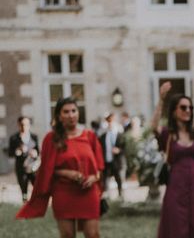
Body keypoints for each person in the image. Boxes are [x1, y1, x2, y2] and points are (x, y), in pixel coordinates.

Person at [17, 97, 103, 238]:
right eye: (66, 112)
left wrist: (94, 177)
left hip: (88, 191)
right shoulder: (51, 139)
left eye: (74, 111)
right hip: (63, 191)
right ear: (59, 115)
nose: (71, 115)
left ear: (78, 112)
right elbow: (46, 169)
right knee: (67, 235)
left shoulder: (90, 136)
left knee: (93, 234)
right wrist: (68, 173)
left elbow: (100, 167)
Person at [151, 81, 194, 238]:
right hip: (175, 187)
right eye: (183, 107)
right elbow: (154, 127)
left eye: (190, 107)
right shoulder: (168, 134)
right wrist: (161, 99)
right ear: (174, 111)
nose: (187, 110)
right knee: (176, 226)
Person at [9, 116, 40, 203]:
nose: (24, 127)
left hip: (33, 168)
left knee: (37, 187)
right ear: (18, 125)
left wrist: (35, 154)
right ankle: (25, 205)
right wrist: (18, 151)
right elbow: (10, 154)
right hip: (21, 168)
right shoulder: (14, 138)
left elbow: (38, 152)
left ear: (29, 125)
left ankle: (36, 205)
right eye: (22, 125)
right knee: (24, 189)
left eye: (26, 124)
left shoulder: (34, 137)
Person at [99, 113, 125, 199]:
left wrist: (119, 150)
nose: (109, 123)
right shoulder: (103, 136)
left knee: (118, 178)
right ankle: (106, 194)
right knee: (105, 178)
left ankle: (120, 193)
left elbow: (124, 147)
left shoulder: (119, 135)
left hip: (116, 161)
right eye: (108, 121)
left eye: (111, 121)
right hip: (106, 160)